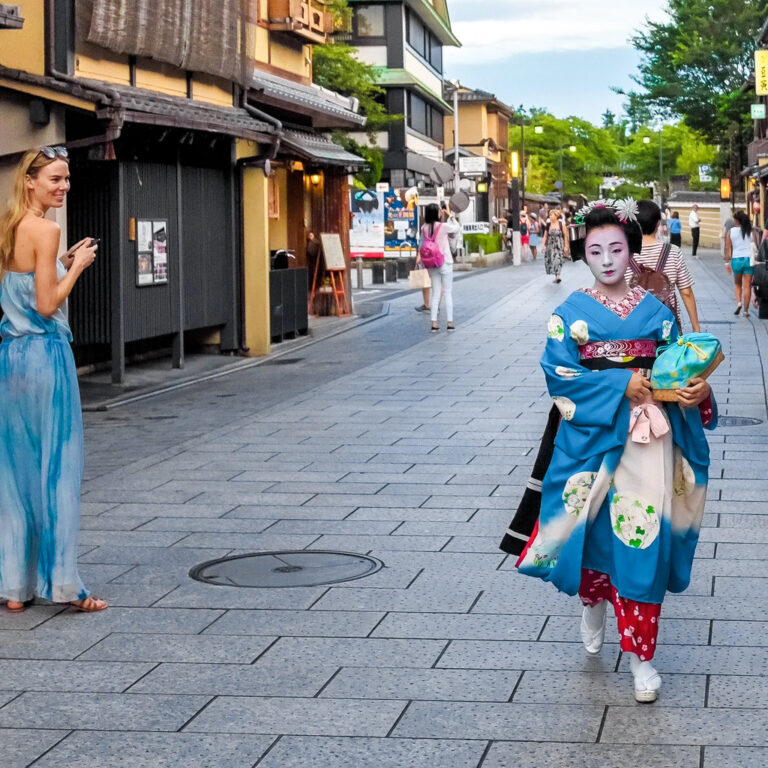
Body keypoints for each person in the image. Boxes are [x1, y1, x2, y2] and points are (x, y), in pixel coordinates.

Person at [515, 198, 716, 703]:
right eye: (596, 249)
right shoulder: (569, 315)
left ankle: (641, 655)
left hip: (649, 443)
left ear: (632, 253)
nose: (607, 259)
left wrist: (696, 393)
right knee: (594, 537)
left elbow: (678, 370)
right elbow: (558, 375)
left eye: (617, 249)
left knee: (641, 540)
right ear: (584, 252)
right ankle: (592, 601)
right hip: (592, 441)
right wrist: (619, 385)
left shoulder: (656, 314)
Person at [0, 147, 107, 613]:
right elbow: (46, 306)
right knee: (58, 468)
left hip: (10, 361)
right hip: (46, 358)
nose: (63, 187)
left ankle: (14, 588)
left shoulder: (8, 225)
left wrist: (59, 261)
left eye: (66, 179)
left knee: (15, 474)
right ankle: (65, 585)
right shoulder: (46, 228)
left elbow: (20, 288)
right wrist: (76, 269)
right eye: (55, 179)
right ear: (30, 181)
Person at [631, 199, 701, 332]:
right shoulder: (673, 252)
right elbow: (686, 292)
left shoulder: (625, 254)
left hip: (634, 328)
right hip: (667, 328)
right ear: (658, 224)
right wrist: (696, 327)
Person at [416, 203, 460, 332]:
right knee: (447, 292)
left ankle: (434, 323)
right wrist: (450, 216)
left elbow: (423, 242)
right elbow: (456, 229)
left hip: (432, 263)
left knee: (435, 294)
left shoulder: (424, 227)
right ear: (437, 213)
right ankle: (450, 322)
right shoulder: (443, 226)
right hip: (445, 261)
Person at [724, 210, 755, 317]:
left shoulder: (731, 232)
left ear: (737, 221)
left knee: (738, 284)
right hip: (748, 259)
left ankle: (739, 303)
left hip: (736, 260)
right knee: (747, 286)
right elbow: (754, 246)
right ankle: (746, 311)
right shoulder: (750, 231)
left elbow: (728, 247)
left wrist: (727, 262)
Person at [542, 208, 569, 283]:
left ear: (556, 216)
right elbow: (545, 235)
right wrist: (543, 245)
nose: (550, 216)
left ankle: (558, 276)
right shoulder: (548, 224)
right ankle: (556, 275)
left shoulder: (561, 224)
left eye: (551, 215)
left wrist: (566, 246)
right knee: (551, 260)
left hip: (559, 244)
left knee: (558, 259)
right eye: (550, 215)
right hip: (550, 245)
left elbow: (565, 235)